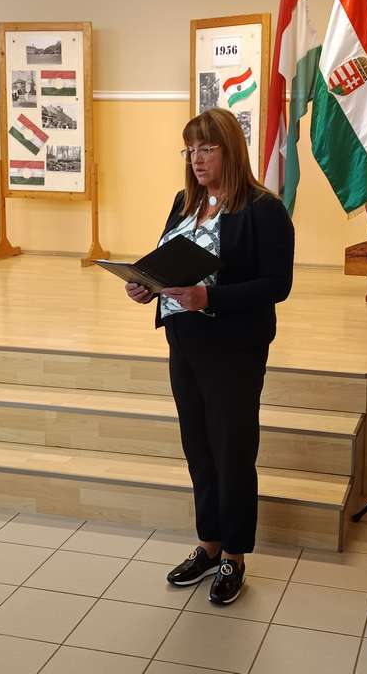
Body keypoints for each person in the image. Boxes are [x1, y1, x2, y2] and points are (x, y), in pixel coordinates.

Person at [124, 107, 294, 605]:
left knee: (232, 450)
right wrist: (146, 286)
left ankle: (234, 555)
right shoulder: (185, 202)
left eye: (207, 149)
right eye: (190, 150)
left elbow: (277, 285)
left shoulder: (263, 209)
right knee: (198, 447)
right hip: (185, 342)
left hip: (234, 348)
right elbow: (165, 263)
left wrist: (210, 297)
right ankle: (209, 542)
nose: (196, 159)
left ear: (230, 150)